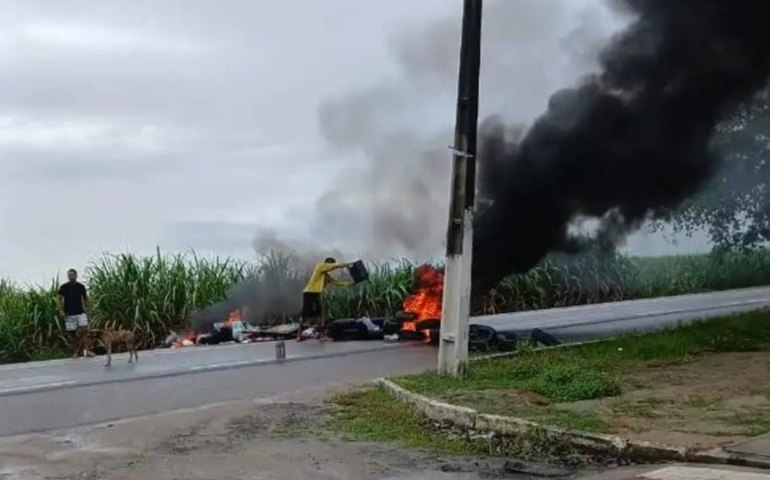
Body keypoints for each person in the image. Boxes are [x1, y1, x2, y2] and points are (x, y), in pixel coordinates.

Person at [300, 258, 353, 341]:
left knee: (318, 315)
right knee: (305, 315)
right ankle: (300, 335)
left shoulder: (325, 275)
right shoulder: (320, 266)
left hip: (316, 294)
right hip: (310, 292)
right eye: (331, 265)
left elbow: (335, 282)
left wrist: (349, 284)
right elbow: (334, 266)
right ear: (328, 264)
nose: (331, 268)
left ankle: (321, 335)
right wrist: (347, 264)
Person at [58, 268, 91, 358]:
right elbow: (60, 299)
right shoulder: (63, 287)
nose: (70, 276)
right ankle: (75, 352)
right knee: (72, 335)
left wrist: (88, 308)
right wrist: (61, 310)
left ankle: (87, 351)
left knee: (85, 332)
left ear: (76, 275)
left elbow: (85, 298)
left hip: (80, 312)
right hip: (69, 313)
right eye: (69, 275)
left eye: (72, 275)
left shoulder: (81, 286)